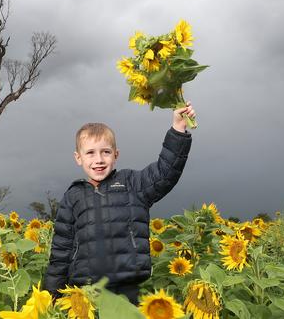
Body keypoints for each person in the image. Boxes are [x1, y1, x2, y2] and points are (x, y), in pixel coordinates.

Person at [42, 102, 195, 304]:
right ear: (78, 158)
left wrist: (178, 130)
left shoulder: (132, 184)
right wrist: (50, 298)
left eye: (105, 152)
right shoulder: (73, 196)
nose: (99, 159)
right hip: (86, 294)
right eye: (90, 153)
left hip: (127, 289)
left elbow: (165, 173)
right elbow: (61, 252)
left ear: (116, 155)